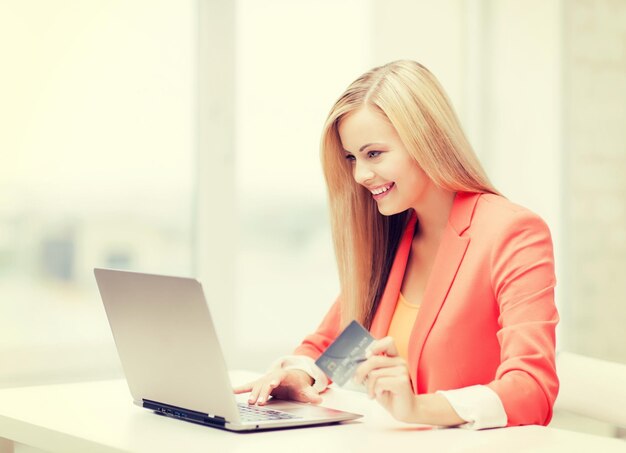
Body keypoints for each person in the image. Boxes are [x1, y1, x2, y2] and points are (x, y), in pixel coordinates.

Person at [233, 60, 559, 429]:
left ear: (428, 141)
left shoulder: (513, 232)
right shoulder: (394, 236)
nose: (360, 175)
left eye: (374, 154)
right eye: (352, 158)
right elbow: (336, 347)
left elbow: (531, 390)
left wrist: (417, 409)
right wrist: (299, 376)